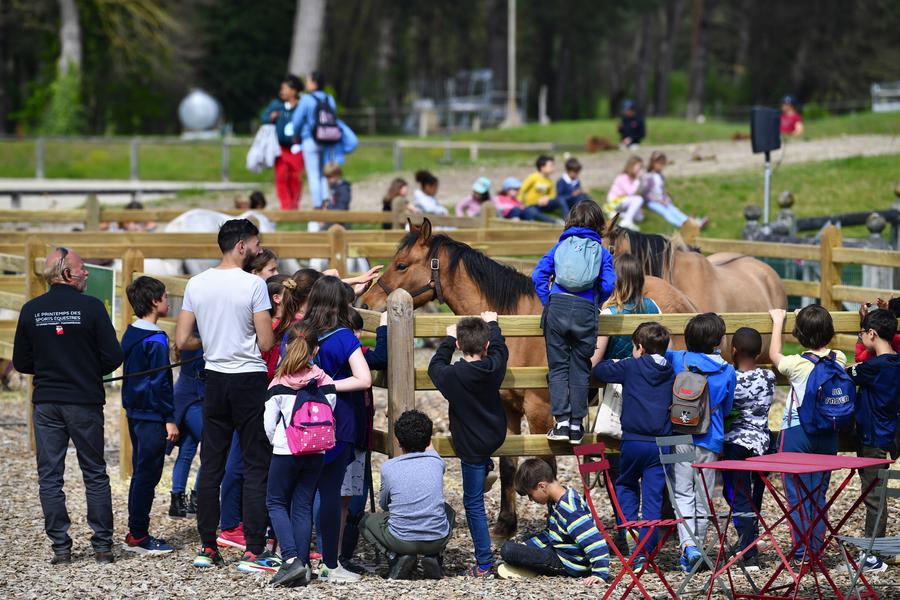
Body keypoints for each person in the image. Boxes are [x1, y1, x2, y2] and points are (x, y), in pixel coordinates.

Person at [174, 219, 275, 570]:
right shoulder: (253, 285)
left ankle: (207, 545)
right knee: (255, 463)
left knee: (212, 465)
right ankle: (253, 546)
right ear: (242, 246)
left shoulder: (196, 283)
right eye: (257, 244)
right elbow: (265, 342)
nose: (260, 249)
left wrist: (212, 341)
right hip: (248, 378)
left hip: (213, 377)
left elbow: (182, 340)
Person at [12, 247, 123, 565]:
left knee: (50, 477)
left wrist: (51, 367)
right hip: (84, 401)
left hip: (47, 402)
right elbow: (113, 357)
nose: (87, 273)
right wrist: (86, 369)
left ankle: (61, 548)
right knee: (95, 473)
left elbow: (21, 361)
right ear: (66, 273)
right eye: (82, 268)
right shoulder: (90, 308)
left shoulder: (31, 310)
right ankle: (102, 546)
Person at [302, 276, 372, 583]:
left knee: (302, 493)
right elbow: (364, 378)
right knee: (331, 494)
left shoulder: (299, 334)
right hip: (338, 421)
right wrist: (328, 383)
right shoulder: (343, 337)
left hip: (300, 421)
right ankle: (331, 563)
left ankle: (299, 559)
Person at [427, 311, 508, 577]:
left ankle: (484, 564)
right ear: (485, 346)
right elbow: (500, 348)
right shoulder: (494, 367)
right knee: (479, 472)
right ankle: (487, 464)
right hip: (494, 435)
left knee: (473, 502)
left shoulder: (451, 376)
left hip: (470, 445)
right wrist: (493, 324)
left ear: (460, 345)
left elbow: (434, 366)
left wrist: (448, 340)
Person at [532, 201, 615, 444]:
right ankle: (577, 426)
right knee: (580, 367)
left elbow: (538, 275)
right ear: (599, 224)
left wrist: (548, 300)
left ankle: (561, 423)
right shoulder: (602, 252)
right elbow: (609, 284)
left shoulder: (559, 246)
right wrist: (595, 301)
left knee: (558, 367)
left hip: (557, 307)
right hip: (585, 311)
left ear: (570, 221)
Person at [769, 305, 845, 565]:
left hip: (797, 431)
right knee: (819, 493)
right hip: (828, 431)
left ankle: (802, 553)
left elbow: (774, 354)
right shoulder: (839, 359)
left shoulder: (796, 364)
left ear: (799, 334)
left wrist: (778, 320)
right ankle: (816, 548)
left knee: (797, 494)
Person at [592, 322, 673, 564]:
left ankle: (630, 531)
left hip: (633, 441)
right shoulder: (671, 371)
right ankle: (644, 553)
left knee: (626, 483)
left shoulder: (630, 366)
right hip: (662, 444)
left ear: (638, 347)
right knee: (653, 497)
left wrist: (617, 361)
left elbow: (599, 371)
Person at [265, 323, 337, 587]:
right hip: (317, 450)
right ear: (315, 349)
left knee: (275, 502)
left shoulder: (279, 382)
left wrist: (279, 442)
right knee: (303, 504)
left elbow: (268, 423)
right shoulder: (326, 382)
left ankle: (291, 560)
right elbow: (330, 412)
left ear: (286, 346)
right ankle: (304, 564)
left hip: (286, 450)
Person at [666, 312, 736, 572]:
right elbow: (727, 408)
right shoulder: (727, 370)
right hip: (711, 440)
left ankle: (688, 548)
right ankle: (696, 549)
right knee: (703, 496)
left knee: (681, 492)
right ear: (718, 341)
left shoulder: (677, 359)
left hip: (679, 435)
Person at [360, 410, 456, 580]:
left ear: (397, 441)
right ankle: (434, 556)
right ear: (428, 439)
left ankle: (396, 557)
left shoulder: (389, 467)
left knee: (366, 522)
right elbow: (429, 445)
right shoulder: (437, 462)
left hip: (401, 540)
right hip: (436, 539)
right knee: (449, 511)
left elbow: (384, 504)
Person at [121, 276, 178, 555]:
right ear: (155, 302)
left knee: (141, 472)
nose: (168, 301)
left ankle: (136, 530)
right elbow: (161, 383)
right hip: (153, 416)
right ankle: (138, 535)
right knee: (147, 474)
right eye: (166, 297)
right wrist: (169, 417)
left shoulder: (131, 332)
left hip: (134, 412)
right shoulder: (155, 339)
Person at [847, 308, 900, 573]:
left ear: (872, 334)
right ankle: (878, 548)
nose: (860, 337)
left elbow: (849, 370)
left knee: (874, 497)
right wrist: (866, 321)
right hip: (888, 437)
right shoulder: (895, 363)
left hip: (872, 440)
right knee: (877, 494)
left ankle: (873, 554)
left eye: (862, 333)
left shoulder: (871, 368)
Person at [500, 458, 608, 585]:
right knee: (526, 540)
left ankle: (531, 566)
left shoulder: (570, 510)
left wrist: (599, 574)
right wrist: (526, 546)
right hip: (560, 549)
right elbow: (551, 533)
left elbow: (594, 541)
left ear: (542, 486)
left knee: (507, 550)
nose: (530, 500)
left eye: (530, 494)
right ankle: (528, 561)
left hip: (570, 564)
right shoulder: (558, 499)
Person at [339, 309, 389, 573]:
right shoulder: (350, 352)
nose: (359, 337)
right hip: (353, 434)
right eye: (356, 332)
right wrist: (383, 328)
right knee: (350, 499)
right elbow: (381, 357)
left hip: (353, 433)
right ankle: (340, 556)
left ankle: (336, 553)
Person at [722, 327, 775, 571]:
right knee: (755, 495)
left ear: (733, 351)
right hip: (763, 444)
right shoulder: (768, 377)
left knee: (736, 493)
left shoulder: (731, 378)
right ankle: (749, 540)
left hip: (736, 445)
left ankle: (748, 548)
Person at [591, 254, 661, 366]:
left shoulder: (608, 314)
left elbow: (594, 362)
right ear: (640, 279)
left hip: (616, 379)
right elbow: (666, 347)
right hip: (649, 376)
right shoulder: (654, 306)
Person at [291, 71, 339, 209]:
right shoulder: (330, 99)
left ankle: (318, 204)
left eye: (308, 80)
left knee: (313, 173)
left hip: (310, 139)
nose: (306, 83)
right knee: (325, 172)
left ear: (313, 83)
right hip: (328, 138)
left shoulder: (306, 99)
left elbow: (297, 120)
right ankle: (326, 201)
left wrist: (295, 135)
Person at [169, 338, 205, 519]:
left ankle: (178, 502)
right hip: (192, 398)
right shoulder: (197, 336)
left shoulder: (190, 333)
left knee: (187, 449)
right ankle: (196, 500)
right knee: (212, 447)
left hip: (193, 396)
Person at [260, 75, 305, 210]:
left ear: (294, 90)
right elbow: (264, 117)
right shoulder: (277, 105)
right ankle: (285, 205)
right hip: (281, 148)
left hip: (297, 148)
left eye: (285, 88)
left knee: (296, 177)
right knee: (281, 176)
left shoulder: (302, 105)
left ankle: (294, 205)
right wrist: (271, 118)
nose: (282, 91)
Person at [641, 151, 708, 230]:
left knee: (674, 210)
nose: (661, 166)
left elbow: (662, 190)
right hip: (652, 202)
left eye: (663, 163)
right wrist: (658, 200)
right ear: (652, 163)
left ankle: (693, 223)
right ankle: (682, 225)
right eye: (658, 163)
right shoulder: (648, 176)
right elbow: (645, 193)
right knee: (666, 213)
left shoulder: (660, 176)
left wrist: (666, 199)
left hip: (662, 200)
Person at [605, 156, 645, 230]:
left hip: (624, 201)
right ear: (632, 166)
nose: (640, 169)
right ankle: (626, 221)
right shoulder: (622, 177)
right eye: (639, 167)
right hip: (615, 201)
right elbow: (630, 192)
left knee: (640, 217)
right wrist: (638, 179)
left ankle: (616, 213)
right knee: (639, 199)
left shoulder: (633, 179)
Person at [520, 155, 564, 222]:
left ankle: (567, 218)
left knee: (560, 200)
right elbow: (521, 190)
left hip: (544, 205)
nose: (553, 168)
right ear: (542, 167)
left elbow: (553, 195)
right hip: (531, 205)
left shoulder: (550, 181)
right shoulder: (533, 177)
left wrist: (547, 198)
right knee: (532, 213)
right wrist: (520, 203)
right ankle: (554, 221)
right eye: (551, 166)